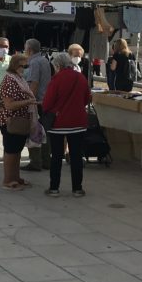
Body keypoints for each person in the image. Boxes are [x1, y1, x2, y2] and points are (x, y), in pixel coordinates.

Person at [42, 52, 92, 197]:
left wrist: (49, 111)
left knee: (57, 156)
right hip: (78, 122)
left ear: (58, 65)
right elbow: (87, 98)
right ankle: (77, 188)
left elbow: (47, 102)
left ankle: (54, 188)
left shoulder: (56, 79)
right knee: (76, 156)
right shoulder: (81, 78)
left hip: (58, 123)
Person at [0, 53, 37, 190]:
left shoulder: (19, 78)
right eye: (24, 66)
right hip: (11, 121)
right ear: (15, 65)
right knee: (11, 151)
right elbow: (9, 104)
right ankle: (8, 180)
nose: (26, 68)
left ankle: (16, 177)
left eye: (27, 66)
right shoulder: (10, 80)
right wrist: (29, 101)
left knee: (17, 151)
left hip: (20, 121)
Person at [23, 38, 52, 171]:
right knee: (44, 132)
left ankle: (35, 162)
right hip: (45, 101)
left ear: (29, 50)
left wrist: (30, 101)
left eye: (25, 48)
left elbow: (34, 83)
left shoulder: (34, 62)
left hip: (37, 102)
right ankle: (46, 160)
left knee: (34, 132)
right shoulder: (45, 60)